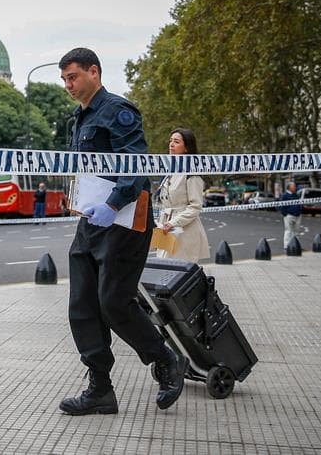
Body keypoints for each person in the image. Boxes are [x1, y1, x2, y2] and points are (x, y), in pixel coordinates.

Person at [57, 47, 187, 416]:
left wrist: (112, 203)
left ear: (94, 72)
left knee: (113, 302)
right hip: (91, 221)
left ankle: (165, 359)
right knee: (82, 305)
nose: (68, 85)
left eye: (74, 77)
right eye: (64, 79)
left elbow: (135, 163)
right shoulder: (76, 120)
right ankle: (100, 389)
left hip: (126, 217)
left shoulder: (118, 111)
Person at [155, 128, 210, 263]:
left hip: (185, 232)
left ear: (186, 148)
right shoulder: (169, 171)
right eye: (171, 141)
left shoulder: (192, 174)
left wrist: (173, 223)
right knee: (164, 269)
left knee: (178, 275)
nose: (171, 144)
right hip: (166, 230)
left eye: (176, 142)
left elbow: (195, 206)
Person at [280, 182, 303, 250]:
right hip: (289, 215)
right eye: (294, 186)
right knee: (288, 230)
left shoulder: (295, 195)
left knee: (296, 231)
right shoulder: (285, 196)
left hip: (297, 215)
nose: (295, 188)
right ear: (290, 187)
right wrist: (285, 214)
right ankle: (286, 245)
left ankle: (296, 244)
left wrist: (300, 211)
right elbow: (282, 206)